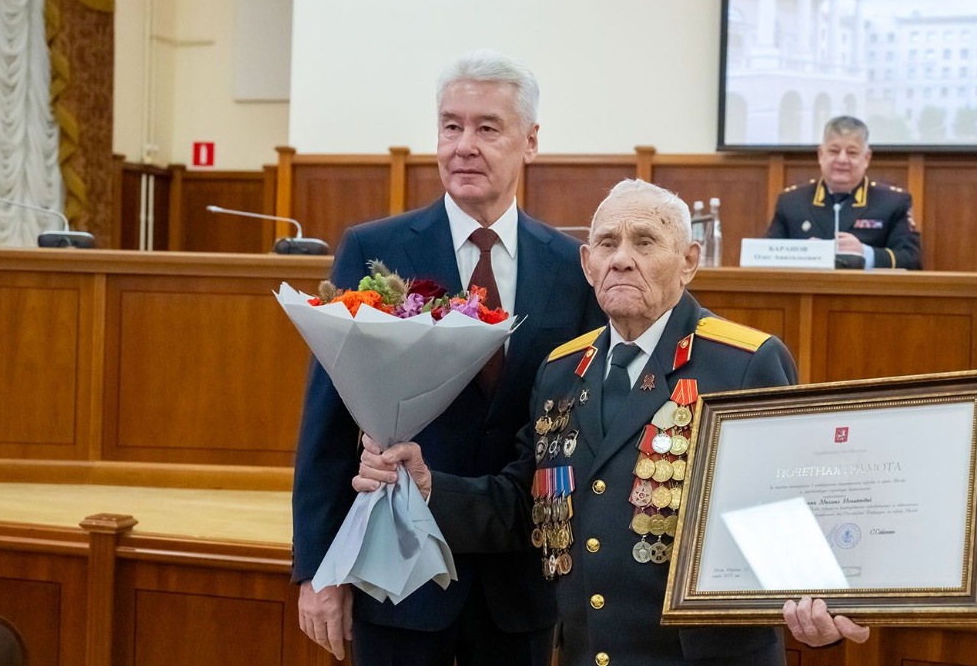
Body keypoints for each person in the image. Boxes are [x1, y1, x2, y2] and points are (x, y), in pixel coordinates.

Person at [354, 179, 870, 664]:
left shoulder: (743, 362)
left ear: (689, 261)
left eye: (645, 242)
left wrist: (823, 600)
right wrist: (426, 487)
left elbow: (795, 506)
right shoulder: (561, 371)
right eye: (606, 243)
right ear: (586, 263)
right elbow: (523, 506)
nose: (621, 259)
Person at [292, 50, 603, 665]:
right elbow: (326, 426)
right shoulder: (375, 250)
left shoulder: (574, 269)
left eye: (487, 128)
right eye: (450, 125)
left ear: (530, 141)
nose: (464, 145)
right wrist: (319, 568)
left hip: (519, 589)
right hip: (396, 581)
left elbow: (578, 432)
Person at [767, 115, 922, 270]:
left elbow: (912, 260)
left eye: (852, 153)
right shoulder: (791, 202)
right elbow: (767, 258)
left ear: (866, 158)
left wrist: (865, 254)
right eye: (834, 151)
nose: (842, 159)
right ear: (821, 155)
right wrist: (804, 254)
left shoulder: (893, 202)